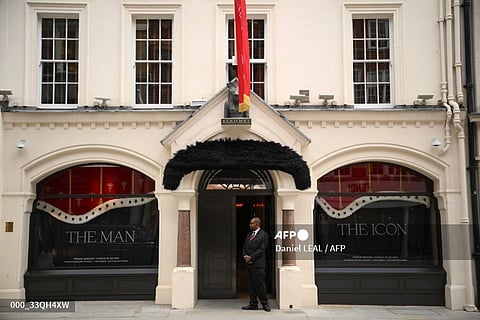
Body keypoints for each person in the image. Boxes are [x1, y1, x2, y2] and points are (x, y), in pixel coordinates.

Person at [241, 217, 271, 312]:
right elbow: (245, 247)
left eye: (251, 223)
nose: (250, 225)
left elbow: (262, 249)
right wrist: (245, 256)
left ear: (257, 224)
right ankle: (253, 304)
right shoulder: (249, 234)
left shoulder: (264, 235)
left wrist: (251, 257)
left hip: (258, 265)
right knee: (250, 285)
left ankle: (265, 304)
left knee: (260, 285)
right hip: (249, 264)